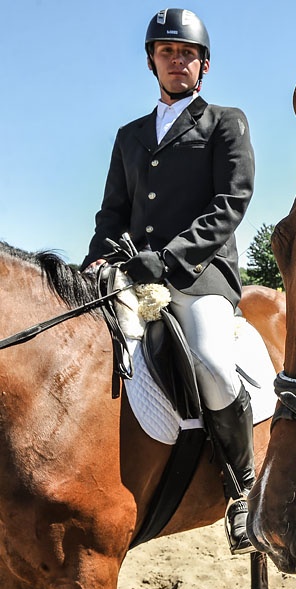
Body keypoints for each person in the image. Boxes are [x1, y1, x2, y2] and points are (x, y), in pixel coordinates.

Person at [81, 8, 256, 555]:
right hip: (130, 272)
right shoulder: (129, 136)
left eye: (186, 54)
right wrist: (98, 261)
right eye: (167, 52)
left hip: (200, 276)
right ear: (152, 61)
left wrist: (171, 259)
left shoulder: (225, 121)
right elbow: (112, 212)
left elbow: (232, 202)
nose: (176, 61)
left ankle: (243, 486)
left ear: (203, 64)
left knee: (207, 356)